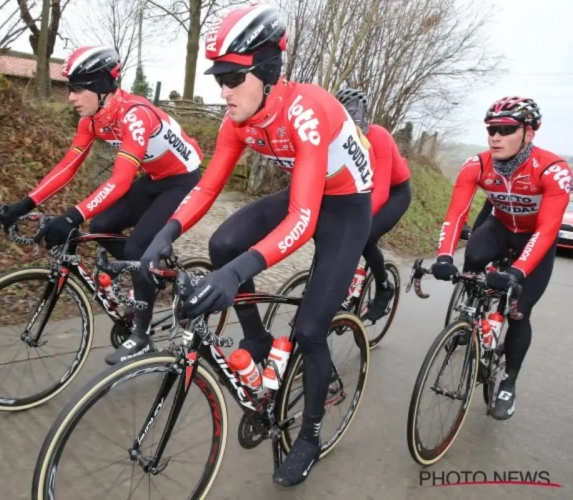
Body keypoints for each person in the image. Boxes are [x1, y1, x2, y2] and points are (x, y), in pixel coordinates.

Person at [140, 4, 374, 487]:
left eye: (230, 77)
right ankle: (258, 339)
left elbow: (304, 220)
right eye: (217, 78)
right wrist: (165, 234)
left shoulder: (307, 111)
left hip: (345, 208)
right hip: (305, 192)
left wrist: (234, 276)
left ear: (267, 73)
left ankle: (308, 435)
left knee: (310, 329)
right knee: (225, 243)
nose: (221, 90)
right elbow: (205, 190)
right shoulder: (238, 119)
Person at [0, 45, 204, 366]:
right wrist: (25, 203)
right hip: (154, 178)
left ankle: (142, 336)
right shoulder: (94, 119)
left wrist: (70, 215)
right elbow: (68, 166)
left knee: (136, 249)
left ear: (101, 89)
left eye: (77, 88)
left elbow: (120, 181)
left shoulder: (135, 115)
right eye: (70, 88)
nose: (70, 97)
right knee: (100, 227)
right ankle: (155, 275)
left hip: (183, 181)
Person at [430, 96, 571, 420]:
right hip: (500, 226)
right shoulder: (476, 164)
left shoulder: (553, 170)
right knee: (473, 259)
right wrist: (443, 257)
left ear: (529, 133)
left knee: (520, 310)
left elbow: (548, 229)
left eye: (506, 129)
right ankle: (471, 315)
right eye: (492, 128)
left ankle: (509, 380)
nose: (495, 136)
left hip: (535, 238)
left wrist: (517, 273)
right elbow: (456, 213)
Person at [335, 88, 412, 320]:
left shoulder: (379, 136)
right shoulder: (337, 138)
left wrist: (357, 221)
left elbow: (380, 188)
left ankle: (384, 287)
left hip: (394, 191)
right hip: (361, 190)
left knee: (365, 237)